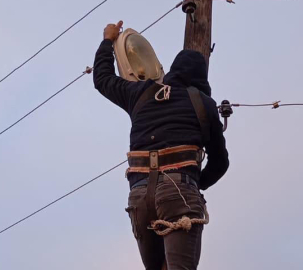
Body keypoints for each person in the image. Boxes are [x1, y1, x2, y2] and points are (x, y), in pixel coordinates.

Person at [93, 21, 229, 270]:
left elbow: (102, 79)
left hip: (140, 196)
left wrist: (108, 40)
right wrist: (196, 183)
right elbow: (220, 162)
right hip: (180, 193)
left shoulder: (140, 93)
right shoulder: (204, 103)